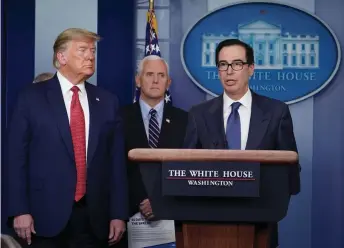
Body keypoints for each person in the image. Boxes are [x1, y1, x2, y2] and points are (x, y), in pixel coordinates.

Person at [7, 28, 128, 248]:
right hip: (42, 218)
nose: (90, 56)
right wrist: (19, 209)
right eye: (82, 50)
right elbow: (15, 159)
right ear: (61, 57)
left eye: (92, 50)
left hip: (94, 220)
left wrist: (119, 214)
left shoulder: (108, 101)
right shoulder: (30, 98)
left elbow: (116, 163)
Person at [183, 39, 300, 248]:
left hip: (260, 222)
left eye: (237, 64)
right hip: (208, 224)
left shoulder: (276, 112)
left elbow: (291, 171)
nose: (229, 71)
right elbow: (185, 170)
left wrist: (270, 204)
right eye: (223, 64)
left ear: (251, 69)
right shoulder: (198, 114)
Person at [122, 55, 188, 219]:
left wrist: (159, 200)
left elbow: (188, 169)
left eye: (161, 75)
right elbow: (116, 169)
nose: (156, 80)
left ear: (168, 83)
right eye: (149, 74)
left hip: (173, 212)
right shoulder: (118, 118)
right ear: (138, 80)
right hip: (128, 211)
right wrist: (141, 199)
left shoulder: (185, 120)